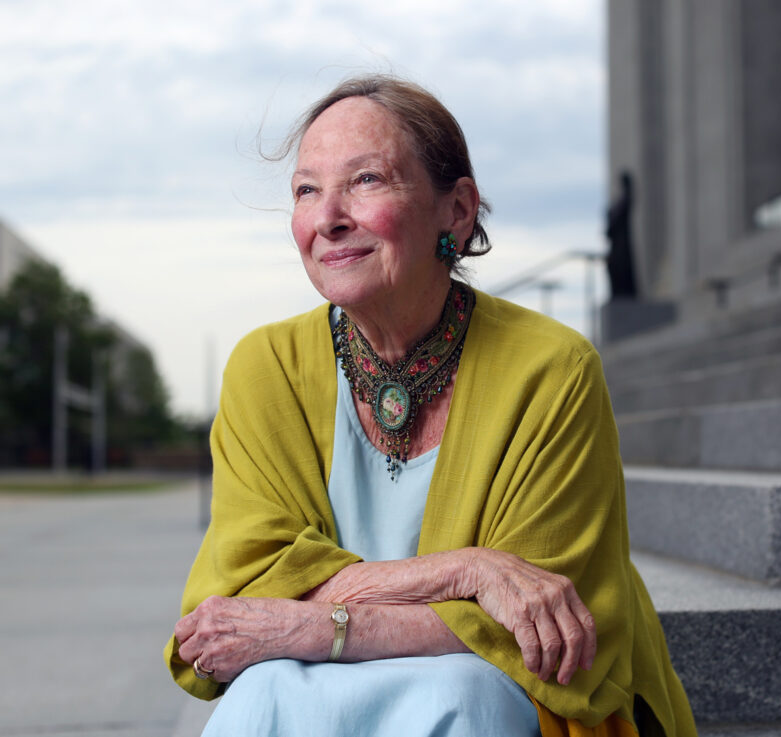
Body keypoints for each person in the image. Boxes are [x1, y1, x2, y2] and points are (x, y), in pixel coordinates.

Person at [164, 74, 697, 737]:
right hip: (317, 683)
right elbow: (248, 585)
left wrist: (316, 622)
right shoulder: (263, 367)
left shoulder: (552, 370)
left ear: (457, 210)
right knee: (262, 696)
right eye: (307, 189)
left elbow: (543, 635)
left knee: (465, 694)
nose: (328, 217)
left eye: (365, 181)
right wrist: (470, 570)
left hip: (499, 691)